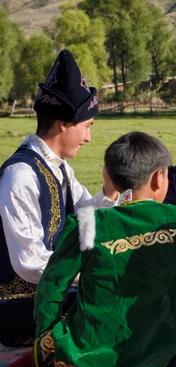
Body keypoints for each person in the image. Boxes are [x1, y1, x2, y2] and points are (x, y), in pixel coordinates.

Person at [33, 132, 176, 367]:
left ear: (112, 179)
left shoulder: (86, 224)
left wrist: (47, 339)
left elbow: (52, 285)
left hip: (95, 351)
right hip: (172, 344)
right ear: (159, 178)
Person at [0, 49, 118, 348]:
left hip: (52, 294)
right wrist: (85, 271)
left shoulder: (60, 167)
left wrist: (110, 191)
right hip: (19, 309)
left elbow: (87, 216)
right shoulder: (20, 176)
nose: (89, 138)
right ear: (65, 123)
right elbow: (28, 262)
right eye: (87, 127)